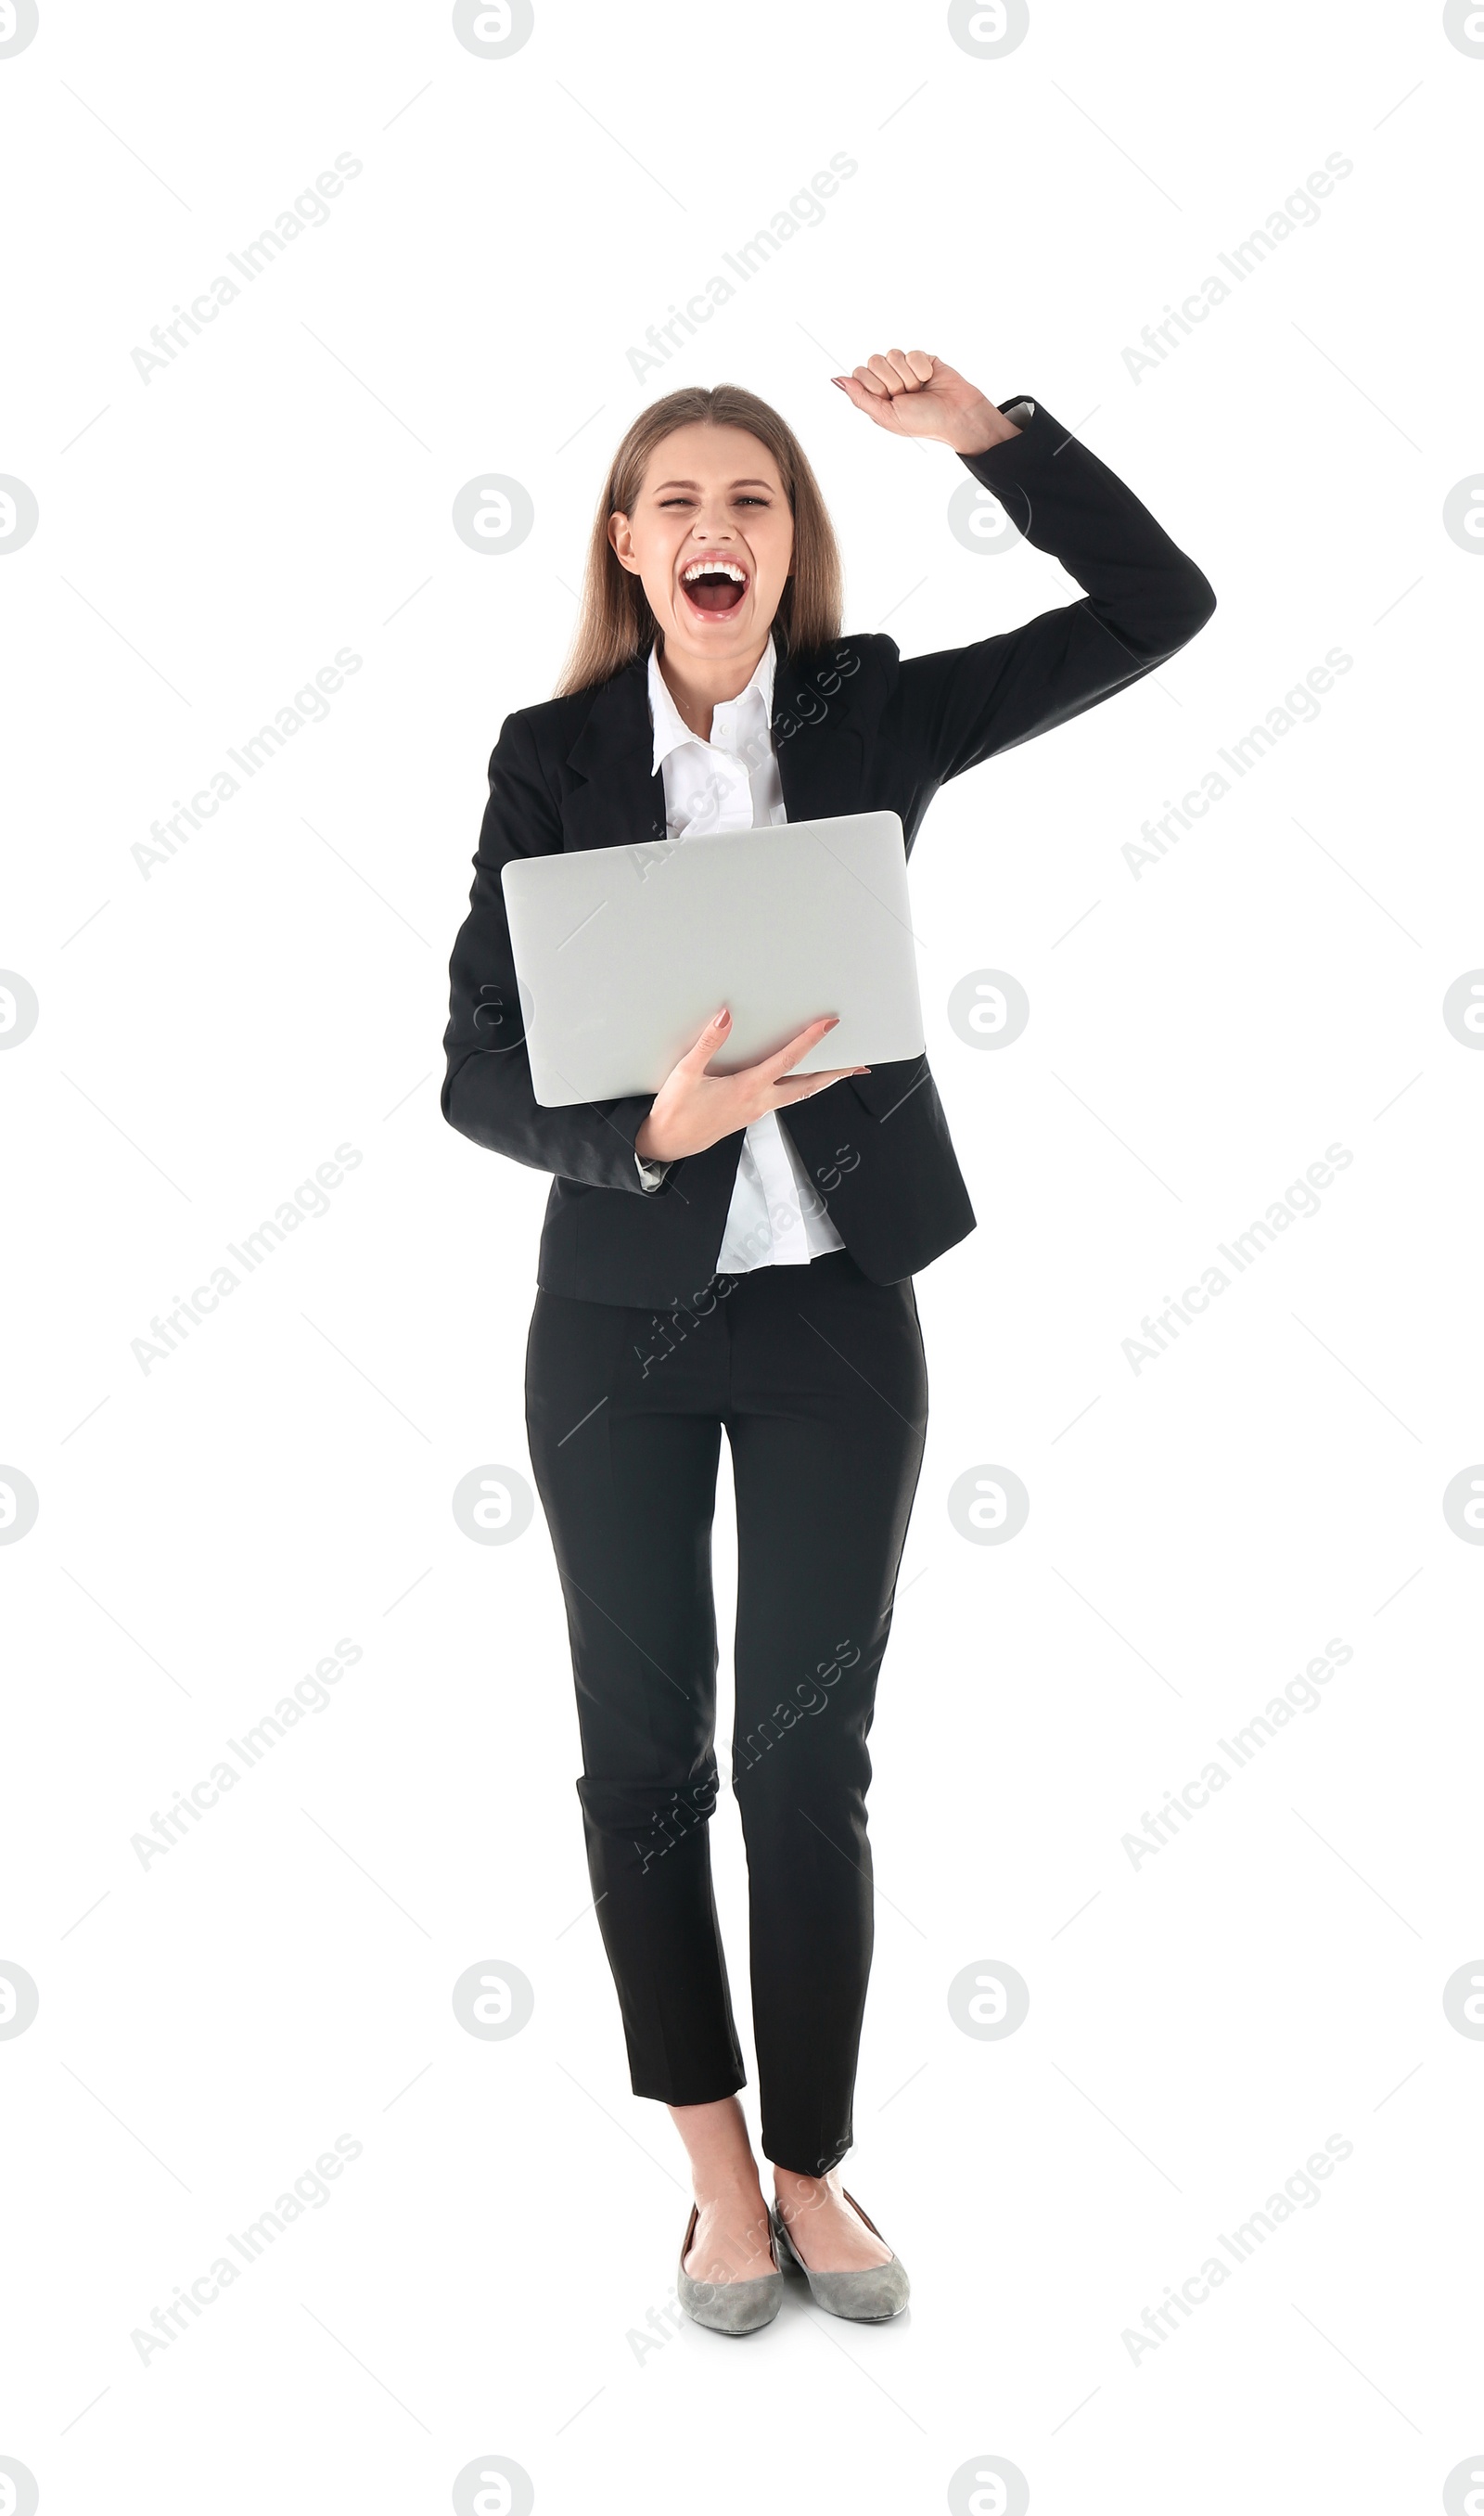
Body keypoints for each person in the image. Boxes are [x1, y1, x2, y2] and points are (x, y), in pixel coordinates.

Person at [441, 350, 1215, 2334]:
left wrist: (996, 441)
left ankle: (813, 2165)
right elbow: (475, 1070)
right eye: (678, 501)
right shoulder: (549, 757)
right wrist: (639, 1137)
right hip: (612, 1329)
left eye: (754, 502)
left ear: (792, 548)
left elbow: (1157, 611)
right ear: (628, 545)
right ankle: (709, 2178)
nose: (716, 528)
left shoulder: (871, 714)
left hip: (837, 1321)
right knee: (642, 1772)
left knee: (806, 1771)